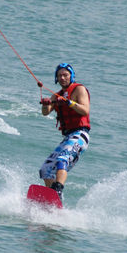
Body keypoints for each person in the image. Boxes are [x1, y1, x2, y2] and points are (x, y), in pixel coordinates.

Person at [39, 63, 91, 198]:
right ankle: (54, 198)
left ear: (71, 76)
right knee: (45, 169)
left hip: (80, 135)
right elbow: (45, 112)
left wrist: (70, 102)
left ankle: (58, 190)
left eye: (65, 75)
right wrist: (46, 104)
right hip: (68, 137)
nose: (62, 78)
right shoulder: (56, 96)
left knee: (63, 159)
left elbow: (85, 110)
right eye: (59, 76)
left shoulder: (79, 90)